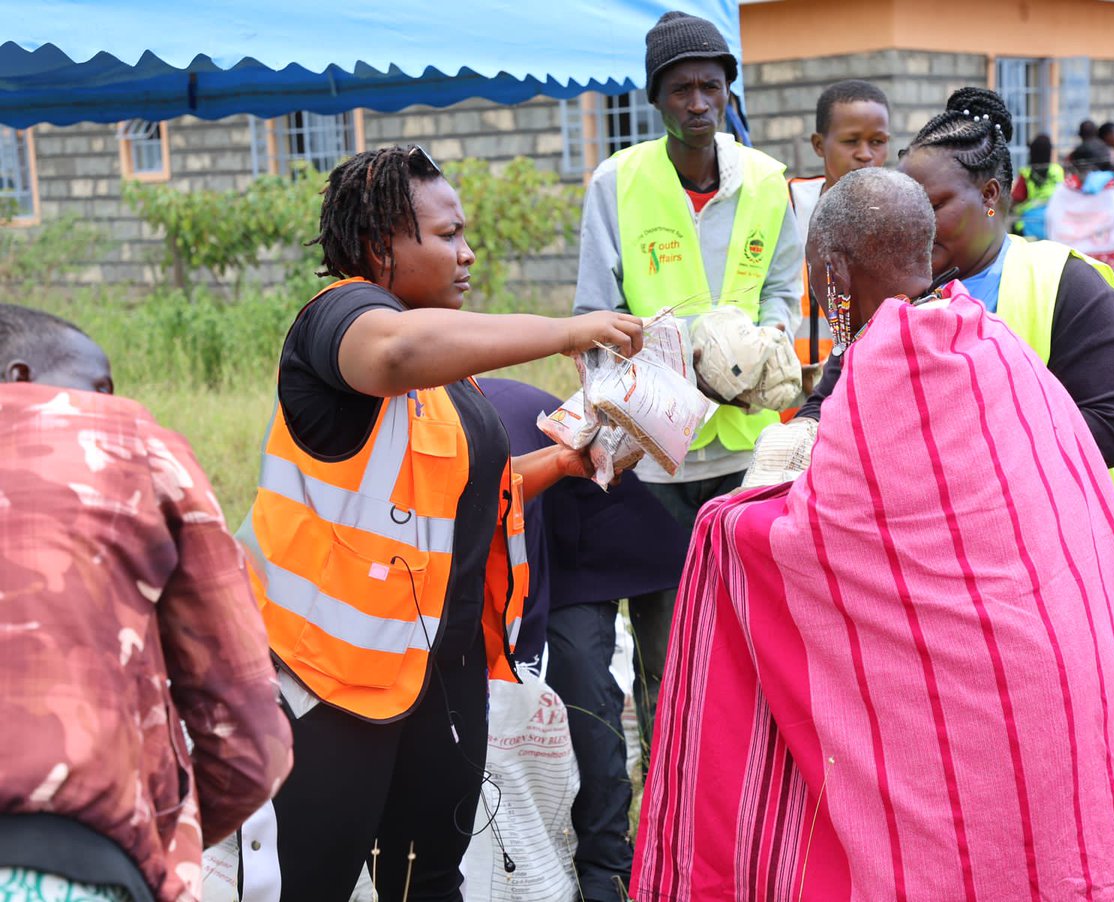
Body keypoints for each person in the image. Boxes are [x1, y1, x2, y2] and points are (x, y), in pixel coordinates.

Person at [633, 167, 1114, 901]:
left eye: (815, 279)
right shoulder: (989, 339)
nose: (817, 297)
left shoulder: (886, 361)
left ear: (834, 272)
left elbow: (817, 543)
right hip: (1079, 673)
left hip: (996, 692)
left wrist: (726, 524)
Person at [236, 145, 644, 901]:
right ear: (378, 247)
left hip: (439, 674)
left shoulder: (449, 375)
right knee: (313, 883)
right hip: (330, 677)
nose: (469, 252)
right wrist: (569, 329)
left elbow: (461, 496)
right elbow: (393, 352)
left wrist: (566, 461)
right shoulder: (342, 320)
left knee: (429, 881)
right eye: (448, 234)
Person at [0, 304, 292, 902]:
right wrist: (152, 842)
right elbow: (248, 736)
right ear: (19, 377)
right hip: (58, 860)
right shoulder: (124, 441)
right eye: (99, 387)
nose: (108, 400)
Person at [572, 11, 801, 765]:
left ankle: (745, 782)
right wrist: (651, 378)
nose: (697, 103)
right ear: (656, 100)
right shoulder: (617, 183)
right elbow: (589, 317)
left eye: (710, 86)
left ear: (729, 92)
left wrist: (754, 361)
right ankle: (673, 785)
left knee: (753, 631)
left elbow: (784, 295)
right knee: (666, 647)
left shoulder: (769, 184)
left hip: (745, 454)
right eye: (680, 90)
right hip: (656, 458)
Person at [763, 88, 1114, 533]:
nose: (914, 225)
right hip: (951, 546)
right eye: (906, 207)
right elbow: (832, 396)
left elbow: (1110, 428)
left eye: (933, 206)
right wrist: (794, 444)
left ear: (989, 194)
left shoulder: (1067, 285)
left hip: (1068, 536)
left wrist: (951, 450)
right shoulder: (897, 287)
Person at [480, 378, 689, 902]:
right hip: (506, 514)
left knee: (582, 686)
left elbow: (517, 626)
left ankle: (607, 865)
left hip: (577, 522)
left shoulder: (494, 443)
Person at [790, 79, 891, 365]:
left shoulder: (899, 219)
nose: (865, 154)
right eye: (851, 141)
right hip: (784, 390)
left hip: (859, 387)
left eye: (877, 142)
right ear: (819, 145)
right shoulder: (788, 205)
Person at [1046, 138, 1114, 276]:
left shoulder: (1065, 188)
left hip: (1069, 256)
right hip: (1107, 257)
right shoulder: (1107, 185)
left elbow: (1054, 216)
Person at [1011, 133, 1063, 239]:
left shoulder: (1026, 173)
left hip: (1030, 226)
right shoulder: (1058, 170)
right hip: (1054, 223)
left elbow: (1016, 199)